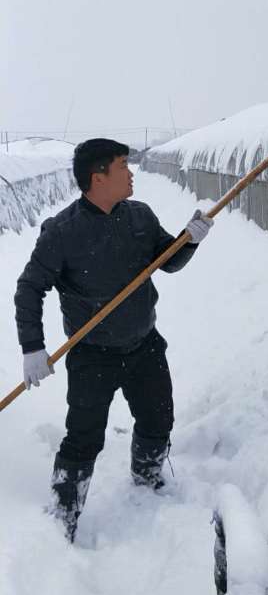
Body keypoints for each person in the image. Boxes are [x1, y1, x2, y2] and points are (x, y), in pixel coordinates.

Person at [14, 138, 211, 541]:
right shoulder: (62, 232)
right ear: (98, 177)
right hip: (92, 355)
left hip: (144, 345)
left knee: (158, 420)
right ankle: (63, 517)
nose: (131, 172)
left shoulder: (139, 216)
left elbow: (166, 261)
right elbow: (29, 288)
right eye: (123, 165)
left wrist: (187, 241)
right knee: (83, 438)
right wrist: (33, 347)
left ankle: (147, 481)